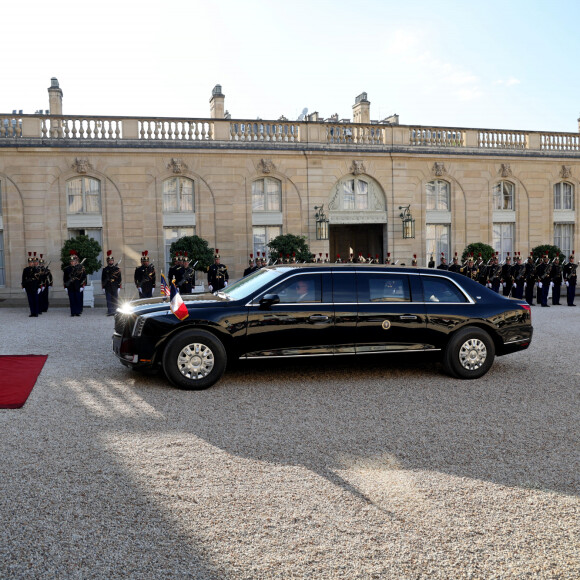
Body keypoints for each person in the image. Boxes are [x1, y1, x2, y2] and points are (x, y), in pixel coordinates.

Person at [63, 250, 87, 317]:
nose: (72, 262)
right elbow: (65, 278)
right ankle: (73, 312)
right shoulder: (67, 269)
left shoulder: (80, 268)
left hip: (77, 285)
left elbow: (83, 277)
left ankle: (77, 311)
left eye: (73, 261)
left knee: (77, 299)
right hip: (70, 286)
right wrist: (65, 287)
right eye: (71, 261)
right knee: (72, 300)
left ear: (76, 261)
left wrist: (82, 286)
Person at [101, 250, 122, 316]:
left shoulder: (116, 269)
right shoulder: (105, 269)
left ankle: (115, 310)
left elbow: (119, 278)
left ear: (113, 261)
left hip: (115, 286)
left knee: (115, 299)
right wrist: (103, 287)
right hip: (108, 286)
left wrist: (119, 287)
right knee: (109, 299)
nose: (111, 262)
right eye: (109, 261)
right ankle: (110, 311)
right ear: (107, 262)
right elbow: (103, 279)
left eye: (112, 261)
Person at [21, 252, 41, 317]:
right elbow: (23, 278)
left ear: (33, 263)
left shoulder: (36, 269)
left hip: (35, 287)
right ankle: (32, 312)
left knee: (36, 300)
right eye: (29, 262)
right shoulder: (25, 270)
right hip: (28, 287)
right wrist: (23, 287)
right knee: (30, 301)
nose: (30, 263)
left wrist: (39, 287)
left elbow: (39, 279)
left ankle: (36, 312)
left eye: (32, 262)